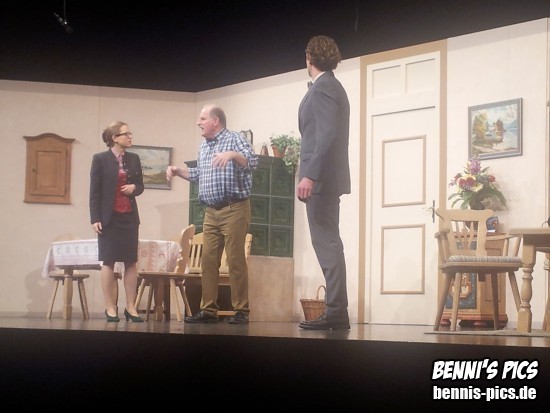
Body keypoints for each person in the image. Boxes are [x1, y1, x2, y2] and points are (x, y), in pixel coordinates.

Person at [166, 104, 258, 324]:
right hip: (211, 211)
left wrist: (232, 154)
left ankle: (241, 311)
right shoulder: (204, 146)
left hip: (234, 208)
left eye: (202, 118)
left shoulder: (234, 138)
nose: (198, 122)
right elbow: (200, 174)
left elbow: (253, 162)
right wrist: (179, 172)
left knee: (235, 260)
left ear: (215, 121)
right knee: (208, 261)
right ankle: (208, 310)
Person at [297, 35, 351, 330]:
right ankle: (337, 311)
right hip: (325, 178)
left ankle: (336, 312)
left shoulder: (324, 87)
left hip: (321, 179)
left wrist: (310, 174)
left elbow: (327, 134)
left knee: (327, 243)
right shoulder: (330, 86)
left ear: (309, 58)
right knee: (329, 243)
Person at [90, 121, 145, 323]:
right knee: (108, 261)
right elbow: (94, 191)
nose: (130, 137)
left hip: (129, 217)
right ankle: (110, 307)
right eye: (126, 134)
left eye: (130, 133)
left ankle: (131, 307)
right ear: (114, 138)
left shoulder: (134, 158)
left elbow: (140, 185)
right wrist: (95, 218)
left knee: (130, 261)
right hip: (108, 218)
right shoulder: (100, 159)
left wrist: (134, 188)